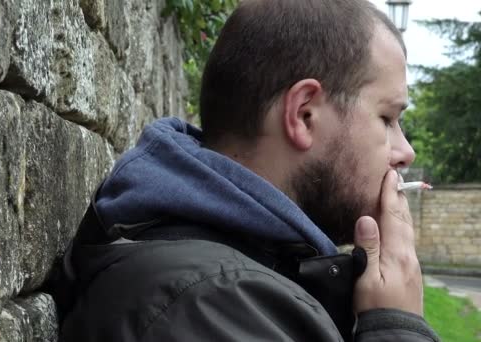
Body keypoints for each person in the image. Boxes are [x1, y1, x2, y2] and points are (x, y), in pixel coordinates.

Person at [56, 0, 439, 340]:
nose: (406, 152)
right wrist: (397, 326)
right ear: (304, 115)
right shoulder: (206, 305)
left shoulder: (239, 282)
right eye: (387, 117)